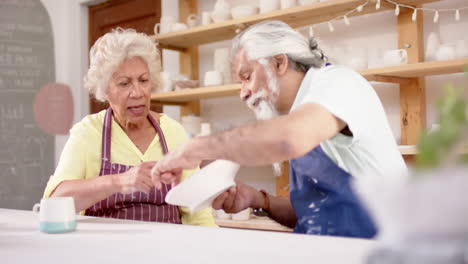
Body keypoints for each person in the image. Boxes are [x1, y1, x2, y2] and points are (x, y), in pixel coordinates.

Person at [150, 20, 407, 238]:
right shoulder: (301, 113)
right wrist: (258, 200)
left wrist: (198, 147)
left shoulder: (339, 83)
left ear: (279, 64)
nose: (243, 93)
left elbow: (290, 138)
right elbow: (315, 214)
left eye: (247, 76)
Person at [43, 28, 215, 226]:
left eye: (143, 80)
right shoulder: (88, 133)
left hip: (167, 252)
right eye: (124, 83)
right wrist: (120, 181)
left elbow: (198, 212)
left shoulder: (173, 131)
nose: (137, 92)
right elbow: (55, 202)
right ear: (105, 89)